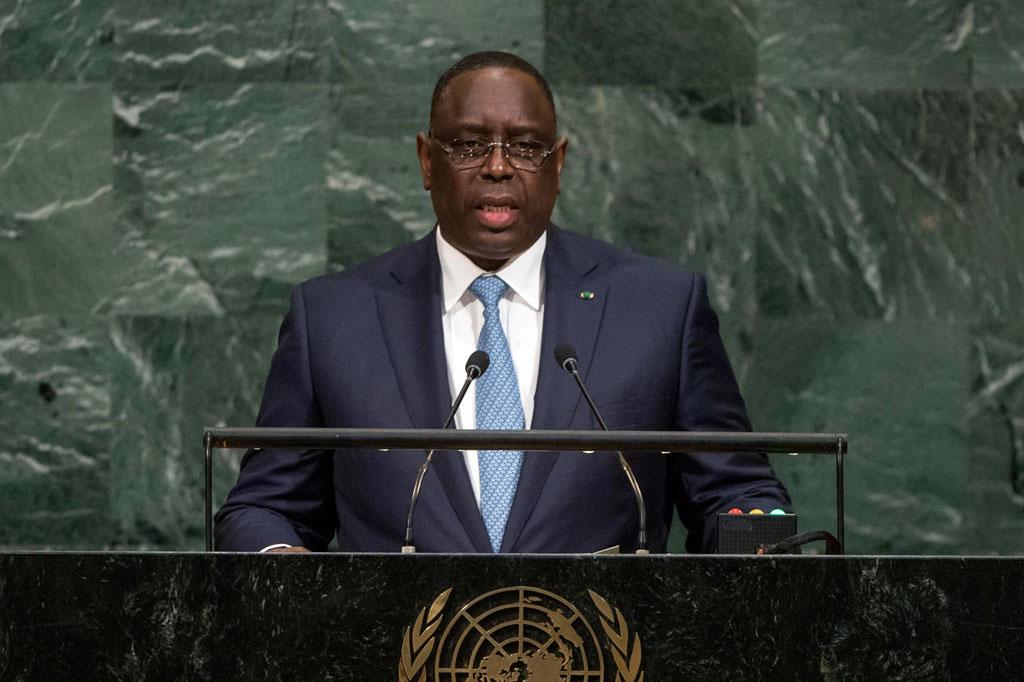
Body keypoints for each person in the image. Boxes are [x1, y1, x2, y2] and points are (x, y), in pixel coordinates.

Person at [214, 51, 790, 554]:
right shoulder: (334, 317)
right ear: (426, 160)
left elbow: (736, 490)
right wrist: (283, 566)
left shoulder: (658, 308)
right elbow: (265, 507)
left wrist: (758, 541)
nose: (497, 166)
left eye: (526, 147)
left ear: (558, 165)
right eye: (469, 145)